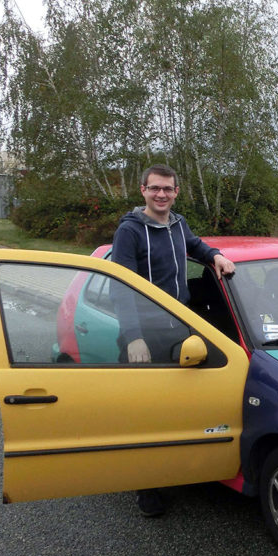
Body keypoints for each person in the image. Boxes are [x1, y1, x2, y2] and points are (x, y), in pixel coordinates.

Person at [111, 164, 236, 516]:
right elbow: (121, 286)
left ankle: (181, 466)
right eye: (155, 189)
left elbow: (195, 246)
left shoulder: (178, 225)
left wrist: (215, 255)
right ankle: (147, 487)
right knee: (145, 415)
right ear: (143, 190)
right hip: (144, 334)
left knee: (176, 407)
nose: (161, 194)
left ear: (177, 192)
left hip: (178, 328)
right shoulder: (130, 231)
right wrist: (134, 337)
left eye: (167, 189)